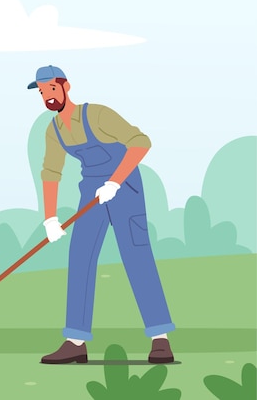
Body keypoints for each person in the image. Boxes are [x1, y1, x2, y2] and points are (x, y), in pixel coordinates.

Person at [29, 65, 175, 364]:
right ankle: (75, 341)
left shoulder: (96, 115)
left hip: (126, 188)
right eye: (42, 92)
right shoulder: (54, 129)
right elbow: (51, 172)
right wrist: (50, 218)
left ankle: (160, 339)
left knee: (137, 256)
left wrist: (115, 181)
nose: (47, 97)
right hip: (91, 193)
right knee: (80, 256)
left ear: (66, 86)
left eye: (51, 89)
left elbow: (140, 142)